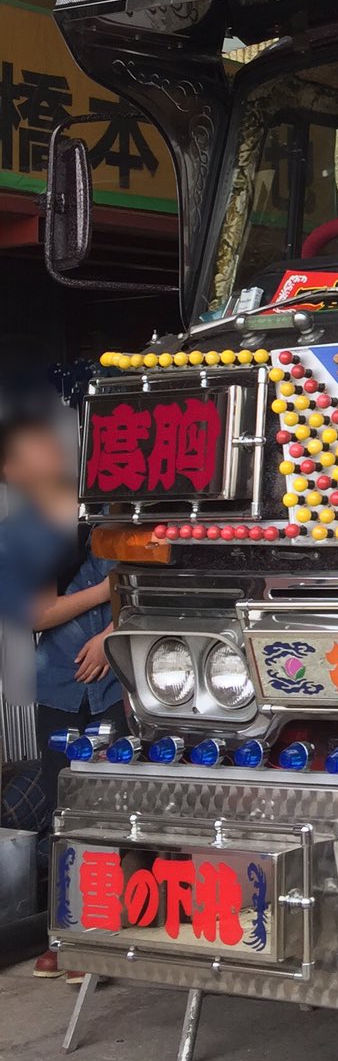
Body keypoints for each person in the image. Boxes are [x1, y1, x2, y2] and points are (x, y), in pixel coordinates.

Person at [0, 406, 122, 979]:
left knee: (118, 805)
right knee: (64, 809)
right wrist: (105, 591)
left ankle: (109, 930)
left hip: (120, 686)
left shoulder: (113, 513)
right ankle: (66, 932)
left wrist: (113, 636)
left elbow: (151, 588)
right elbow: (35, 612)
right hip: (59, 688)